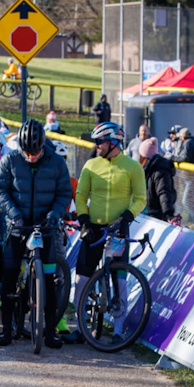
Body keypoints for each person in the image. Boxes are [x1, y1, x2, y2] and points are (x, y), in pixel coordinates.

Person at [0, 119, 71, 349]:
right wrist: (14, 214)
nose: (31, 157)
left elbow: (64, 193)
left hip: (45, 227)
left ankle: (49, 332)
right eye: (27, 152)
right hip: (18, 226)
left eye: (35, 152)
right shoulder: (10, 160)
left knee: (48, 279)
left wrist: (55, 215)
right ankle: (7, 329)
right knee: (8, 277)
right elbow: (0, 190)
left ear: (43, 146)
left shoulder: (56, 163)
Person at [73, 122, 147, 325]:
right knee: (81, 280)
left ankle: (117, 331)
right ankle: (79, 328)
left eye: (100, 142)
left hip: (117, 230)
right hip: (93, 228)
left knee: (119, 281)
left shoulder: (132, 167)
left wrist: (127, 217)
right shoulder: (91, 165)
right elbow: (80, 196)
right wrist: (84, 220)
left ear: (113, 142)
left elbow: (141, 199)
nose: (96, 145)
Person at [139, 137, 179, 223]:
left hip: (156, 216)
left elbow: (164, 192)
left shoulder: (160, 171)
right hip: (147, 214)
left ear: (144, 157)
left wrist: (169, 214)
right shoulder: (149, 169)